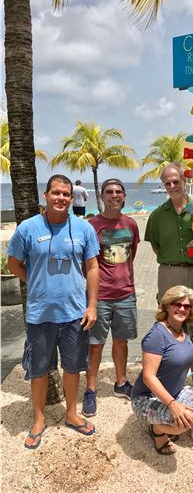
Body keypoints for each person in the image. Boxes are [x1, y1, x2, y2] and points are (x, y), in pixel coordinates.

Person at [7, 174, 99, 449]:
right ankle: (39, 419)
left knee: (73, 367)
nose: (61, 198)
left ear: (72, 198)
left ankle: (71, 413)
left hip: (74, 313)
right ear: (45, 195)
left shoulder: (83, 229)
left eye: (66, 194)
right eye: (56, 193)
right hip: (40, 315)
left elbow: (93, 267)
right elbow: (13, 263)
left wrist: (92, 305)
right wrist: (34, 281)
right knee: (39, 370)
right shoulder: (28, 228)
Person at [131, 286, 193, 455]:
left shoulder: (182, 328)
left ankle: (169, 422)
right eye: (176, 304)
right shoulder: (157, 336)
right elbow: (149, 377)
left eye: (186, 306)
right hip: (147, 398)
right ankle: (157, 430)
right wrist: (173, 405)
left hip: (176, 391)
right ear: (167, 306)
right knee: (186, 420)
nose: (182, 309)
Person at [82, 179, 140, 417]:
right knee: (95, 345)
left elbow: (132, 254)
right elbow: (86, 262)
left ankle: (120, 383)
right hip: (100, 297)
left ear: (124, 196)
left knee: (122, 342)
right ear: (102, 196)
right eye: (109, 192)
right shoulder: (92, 225)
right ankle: (91, 390)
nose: (114, 195)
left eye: (118, 192)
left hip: (126, 294)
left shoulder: (131, 224)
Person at [144, 163, 193, 303]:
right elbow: (156, 247)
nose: (172, 187)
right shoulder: (156, 216)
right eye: (167, 184)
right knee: (168, 318)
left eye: (176, 182)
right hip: (169, 273)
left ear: (184, 181)